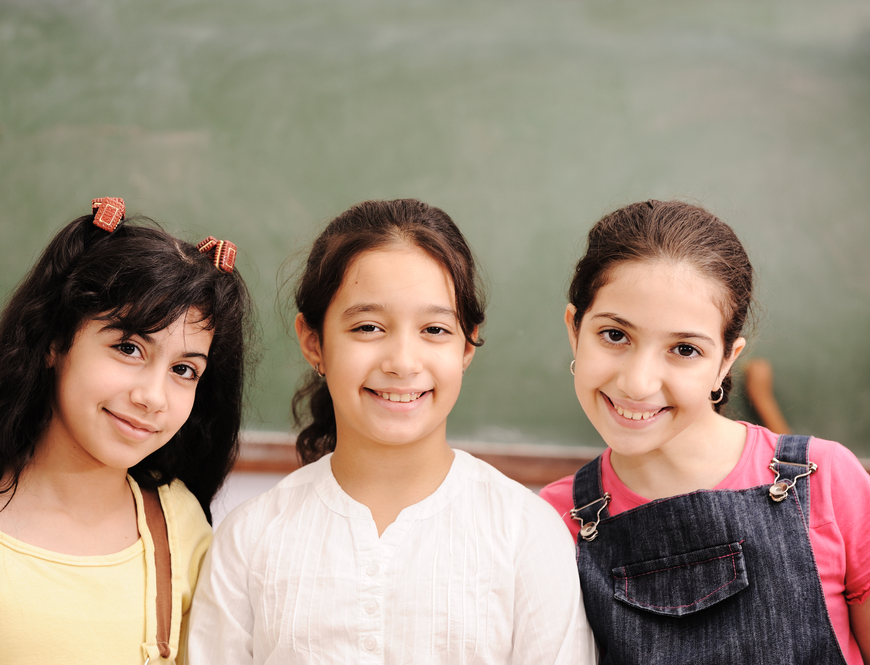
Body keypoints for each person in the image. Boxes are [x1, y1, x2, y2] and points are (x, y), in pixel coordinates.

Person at [188, 199, 595, 664]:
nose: (402, 362)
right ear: (313, 342)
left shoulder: (527, 534)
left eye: (435, 329)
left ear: (467, 345)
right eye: (368, 327)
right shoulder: (249, 539)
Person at [0, 198, 252, 664]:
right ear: (55, 340)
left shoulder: (179, 527)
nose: (153, 396)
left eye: (184, 370)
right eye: (128, 348)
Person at [540, 200, 870, 664]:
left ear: (726, 361)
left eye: (684, 349)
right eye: (615, 335)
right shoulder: (551, 523)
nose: (638, 383)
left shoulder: (828, 480)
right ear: (575, 330)